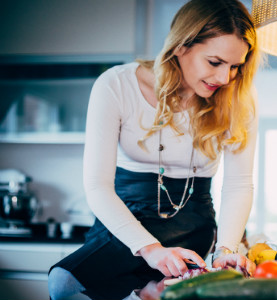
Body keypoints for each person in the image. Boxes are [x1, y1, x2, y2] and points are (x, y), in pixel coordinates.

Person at [48, 0, 261, 298]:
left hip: (193, 223)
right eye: (214, 62)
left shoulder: (238, 101)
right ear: (180, 46)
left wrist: (226, 248)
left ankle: (147, 288)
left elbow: (239, 184)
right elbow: (97, 186)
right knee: (63, 282)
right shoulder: (116, 85)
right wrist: (150, 249)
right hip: (123, 221)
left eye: (236, 66)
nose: (225, 78)